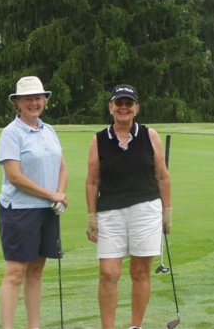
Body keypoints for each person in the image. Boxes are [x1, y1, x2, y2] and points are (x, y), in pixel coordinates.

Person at [85, 84, 172, 329]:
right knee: (109, 273)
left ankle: (136, 326)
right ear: (111, 107)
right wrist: (91, 215)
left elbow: (162, 176)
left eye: (128, 103)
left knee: (140, 272)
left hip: (146, 209)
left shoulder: (149, 135)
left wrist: (167, 212)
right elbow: (92, 181)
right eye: (119, 103)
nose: (123, 107)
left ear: (136, 108)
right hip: (110, 212)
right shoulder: (99, 139)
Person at [0, 76, 68, 329]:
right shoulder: (11, 133)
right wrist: (51, 195)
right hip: (19, 211)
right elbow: (15, 177)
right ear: (17, 103)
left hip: (46, 211)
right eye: (28, 99)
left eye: (38, 98)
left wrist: (59, 194)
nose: (34, 103)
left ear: (44, 100)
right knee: (16, 274)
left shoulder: (48, 130)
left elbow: (62, 169)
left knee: (36, 272)